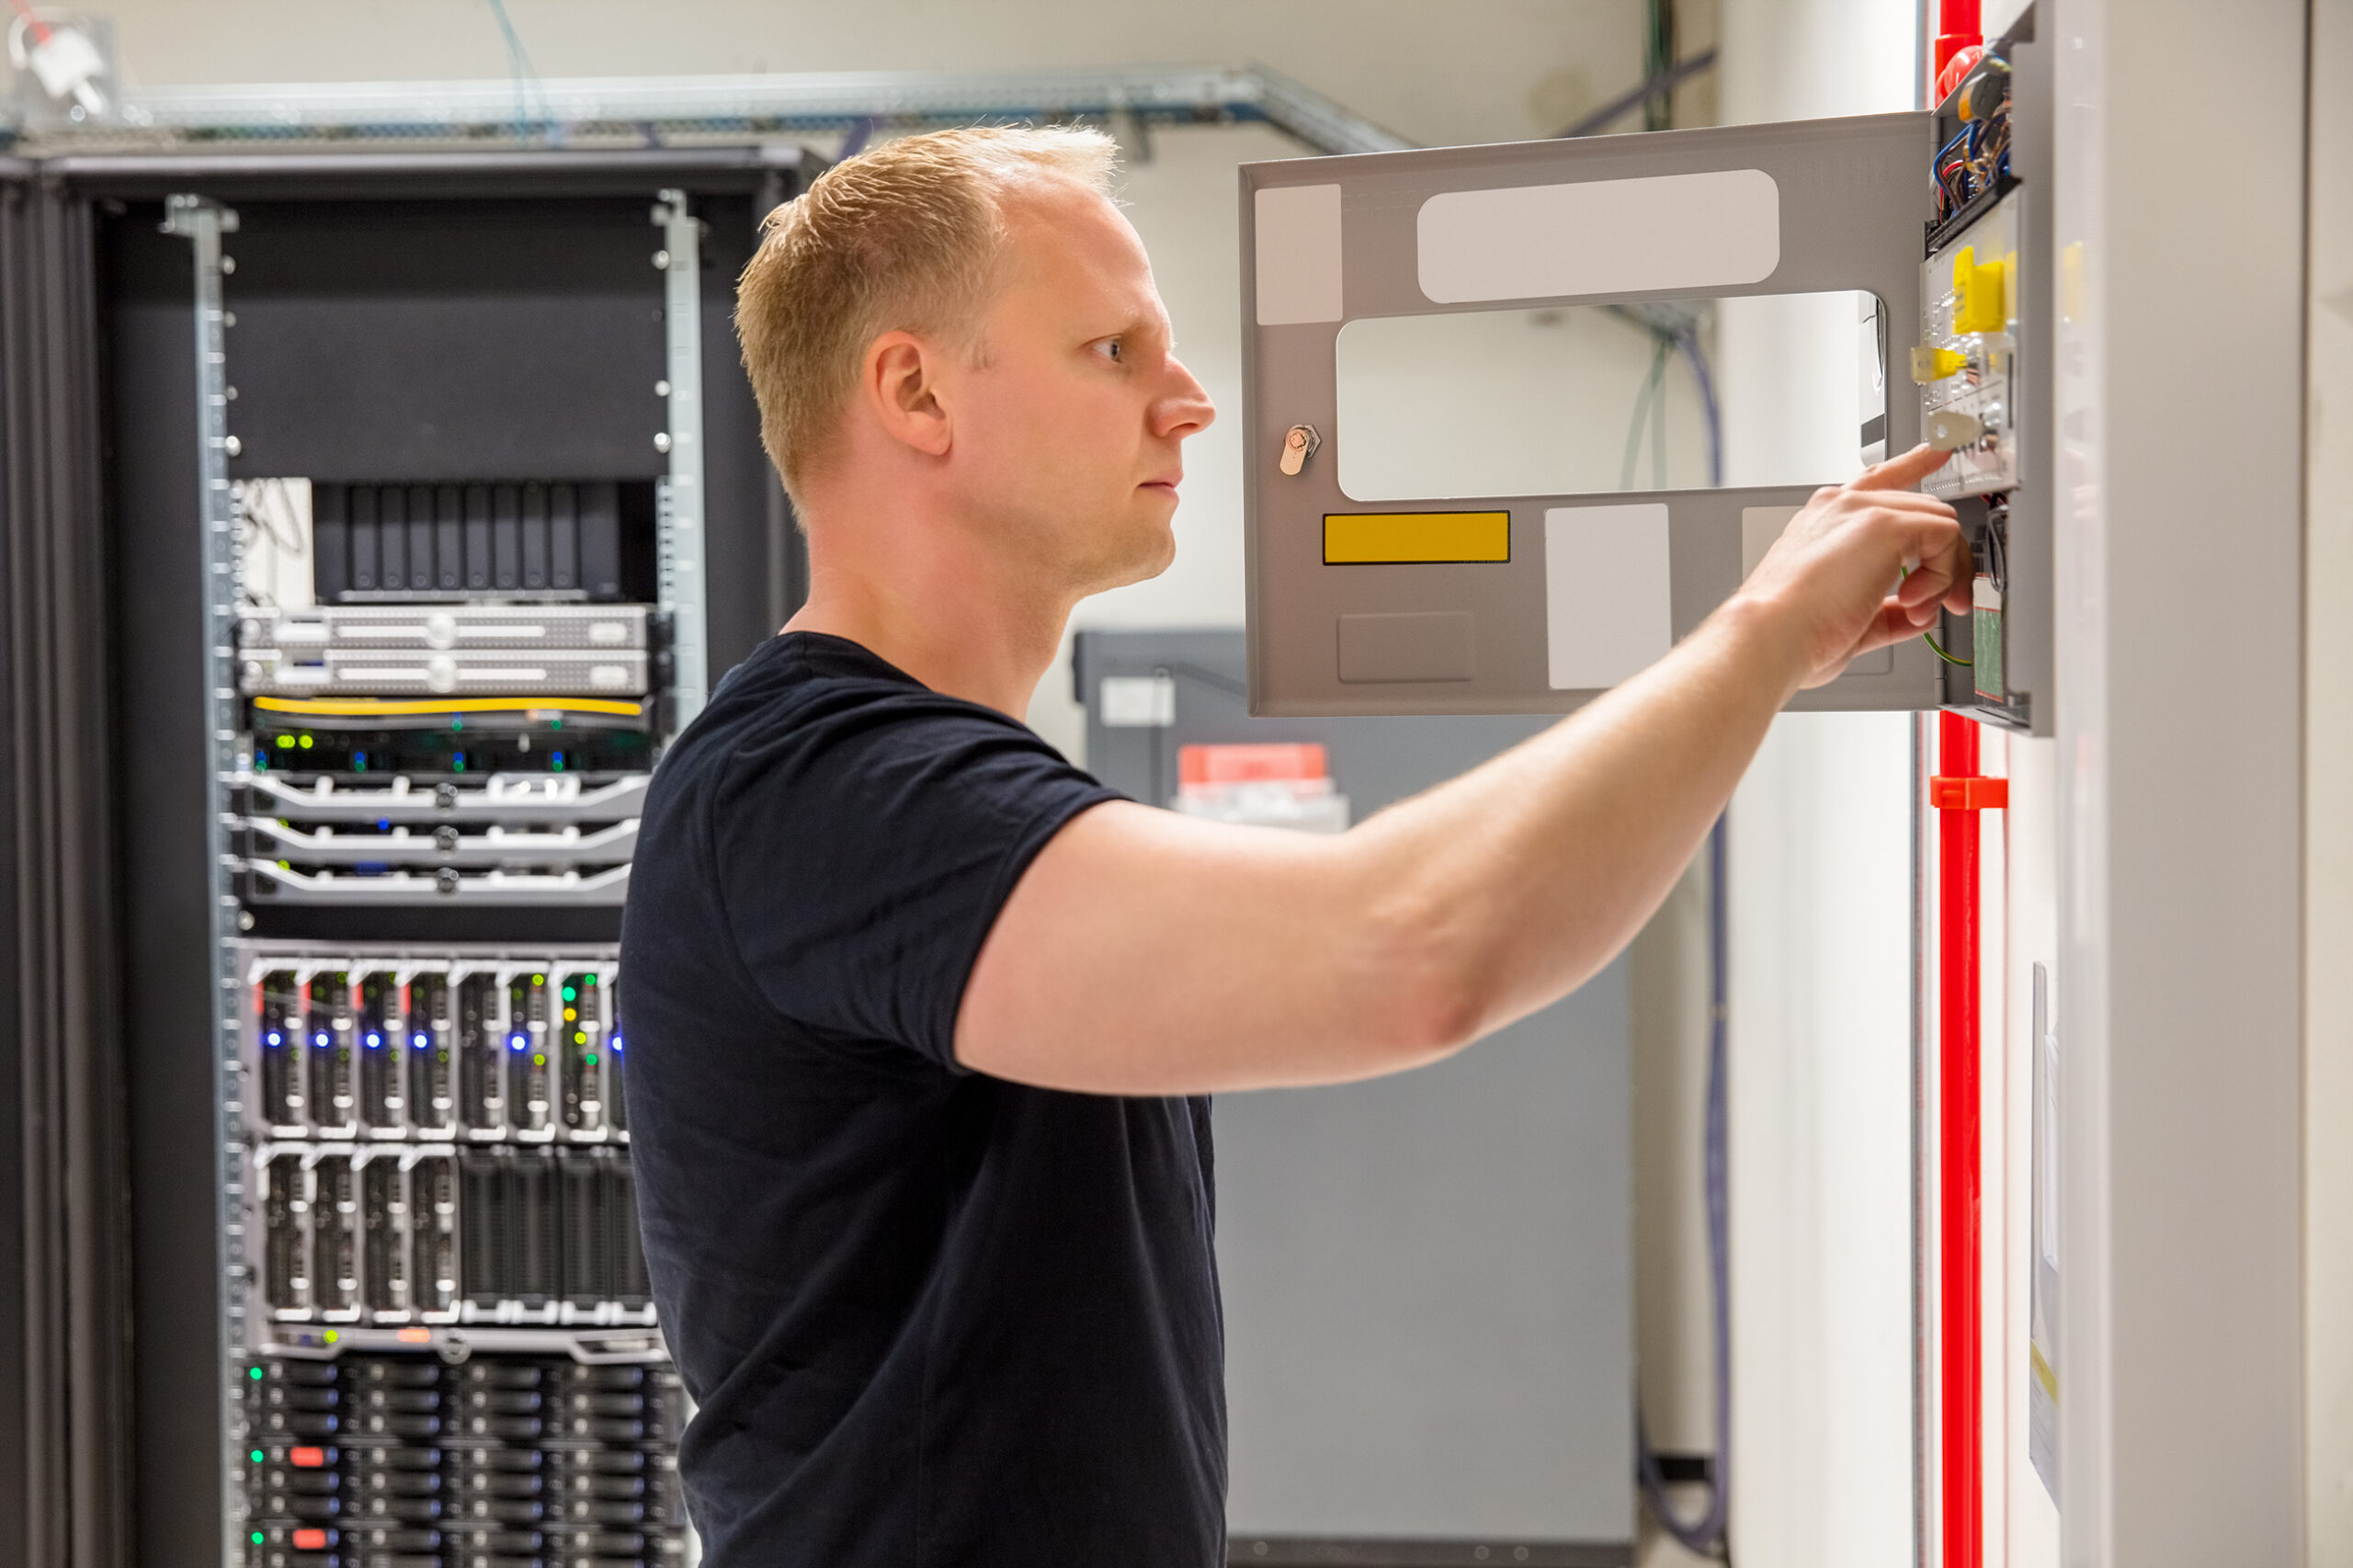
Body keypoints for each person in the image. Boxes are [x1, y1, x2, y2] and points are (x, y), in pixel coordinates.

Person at [618, 124, 1965, 1567]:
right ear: (916, 389)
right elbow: (1416, 949)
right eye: (1114, 351)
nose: (1189, 403)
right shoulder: (816, 790)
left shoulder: (907, 779)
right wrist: (1768, 633)